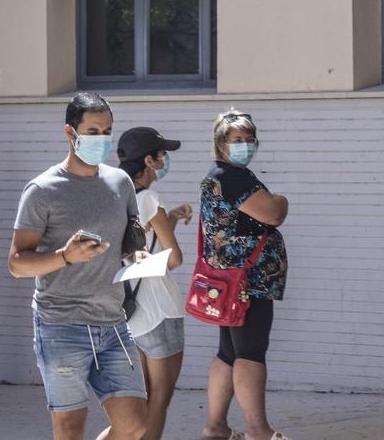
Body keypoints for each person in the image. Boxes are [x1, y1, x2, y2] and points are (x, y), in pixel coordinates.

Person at [8, 92, 148, 440]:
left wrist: (137, 256)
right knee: (70, 430)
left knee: (134, 425)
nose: (102, 139)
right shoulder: (42, 190)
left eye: (107, 131)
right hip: (61, 325)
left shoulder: (121, 182)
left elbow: (128, 243)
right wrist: (64, 257)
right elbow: (16, 263)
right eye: (93, 131)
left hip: (113, 323)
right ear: (70, 133)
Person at [199, 110, 290, 440]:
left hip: (229, 283)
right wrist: (279, 199)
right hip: (248, 284)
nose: (246, 145)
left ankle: (215, 427)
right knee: (251, 353)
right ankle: (258, 430)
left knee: (229, 352)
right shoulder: (234, 178)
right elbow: (273, 212)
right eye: (238, 140)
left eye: (250, 139)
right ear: (221, 144)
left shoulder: (217, 176)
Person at [116, 127, 192, 440]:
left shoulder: (115, 196)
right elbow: (173, 258)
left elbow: (142, 246)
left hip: (132, 314)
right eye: (162, 155)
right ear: (149, 160)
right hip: (161, 311)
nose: (165, 160)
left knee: (142, 399)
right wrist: (164, 215)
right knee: (159, 400)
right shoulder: (149, 198)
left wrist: (169, 217)